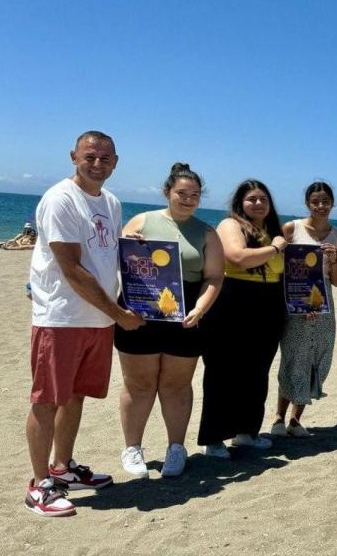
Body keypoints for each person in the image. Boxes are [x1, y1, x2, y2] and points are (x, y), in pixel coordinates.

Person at [24, 131, 145, 517]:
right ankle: (39, 484)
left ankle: (64, 467)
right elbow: (73, 269)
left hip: (96, 318)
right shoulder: (61, 198)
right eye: (90, 156)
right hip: (61, 317)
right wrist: (119, 314)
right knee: (47, 399)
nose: (98, 164)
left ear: (116, 162)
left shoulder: (110, 202)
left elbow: (105, 254)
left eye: (105, 158)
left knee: (75, 395)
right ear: (74, 156)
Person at [114, 163, 224, 478]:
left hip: (186, 313)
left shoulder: (206, 232)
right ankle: (132, 448)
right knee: (139, 384)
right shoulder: (142, 221)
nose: (188, 199)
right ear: (167, 192)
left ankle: (176, 448)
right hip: (140, 310)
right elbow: (121, 263)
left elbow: (215, 277)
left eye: (194, 195)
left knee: (176, 385)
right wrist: (130, 243)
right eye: (181, 193)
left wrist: (200, 308)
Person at [198, 180, 286, 457]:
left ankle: (246, 432)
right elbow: (238, 257)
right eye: (252, 199)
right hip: (233, 301)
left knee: (257, 371)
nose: (258, 203)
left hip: (269, 303)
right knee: (223, 371)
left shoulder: (273, 230)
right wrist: (275, 249)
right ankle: (214, 438)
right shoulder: (230, 225)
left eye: (263, 199)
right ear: (240, 202)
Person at [271, 182, 337, 437]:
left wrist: (334, 259)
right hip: (294, 299)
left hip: (324, 302)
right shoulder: (292, 229)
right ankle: (279, 418)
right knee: (293, 357)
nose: (321, 206)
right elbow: (278, 266)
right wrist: (299, 302)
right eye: (316, 201)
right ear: (308, 204)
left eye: (325, 201)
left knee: (317, 358)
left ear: (332, 203)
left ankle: (296, 419)